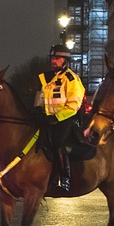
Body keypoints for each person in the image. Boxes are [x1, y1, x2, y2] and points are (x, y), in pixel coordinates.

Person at [32, 44, 85, 191]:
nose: (53, 61)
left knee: (57, 142)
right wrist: (38, 109)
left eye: (57, 58)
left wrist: (56, 118)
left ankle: (64, 178)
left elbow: (74, 105)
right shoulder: (46, 78)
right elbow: (40, 97)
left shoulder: (71, 79)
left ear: (65, 61)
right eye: (52, 58)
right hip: (47, 118)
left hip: (65, 119)